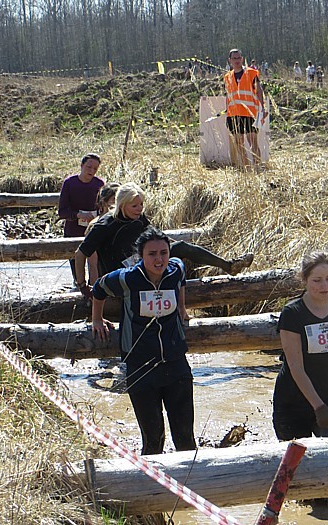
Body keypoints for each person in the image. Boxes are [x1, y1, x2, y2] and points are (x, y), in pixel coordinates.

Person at [92, 226, 196, 455]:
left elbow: (181, 277)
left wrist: (182, 305)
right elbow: (98, 288)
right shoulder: (128, 278)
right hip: (140, 365)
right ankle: (154, 488)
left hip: (175, 361)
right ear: (140, 255)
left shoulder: (174, 269)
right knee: (152, 439)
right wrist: (97, 319)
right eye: (152, 254)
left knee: (185, 437)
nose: (159, 259)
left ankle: (188, 485)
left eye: (163, 253)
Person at [73, 181, 254, 298]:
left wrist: (171, 247)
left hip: (140, 261)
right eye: (134, 205)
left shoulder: (139, 217)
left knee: (181, 246)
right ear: (122, 205)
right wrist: (83, 286)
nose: (139, 209)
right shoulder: (105, 225)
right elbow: (80, 254)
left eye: (142, 204)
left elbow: (157, 237)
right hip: (120, 274)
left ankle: (229, 266)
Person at [272, 251, 328, 440]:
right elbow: (295, 366)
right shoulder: (292, 313)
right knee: (296, 464)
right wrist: (319, 407)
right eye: (317, 280)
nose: (324, 286)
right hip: (293, 401)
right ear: (305, 279)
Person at [58, 153, 104, 287]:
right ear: (82, 166)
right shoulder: (69, 183)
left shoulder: (99, 184)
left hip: (94, 231)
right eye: (89, 167)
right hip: (73, 230)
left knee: (96, 268)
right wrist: (79, 215)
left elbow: (105, 208)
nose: (91, 171)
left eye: (95, 169)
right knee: (76, 273)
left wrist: (97, 217)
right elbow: (62, 212)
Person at [224, 48, 266, 170]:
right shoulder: (227, 77)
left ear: (242, 59)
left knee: (253, 141)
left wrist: (262, 108)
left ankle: (257, 167)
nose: (237, 60)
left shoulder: (251, 73)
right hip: (233, 114)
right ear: (230, 60)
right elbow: (228, 95)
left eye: (238, 58)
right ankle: (247, 168)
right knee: (239, 143)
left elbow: (259, 90)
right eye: (234, 58)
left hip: (249, 113)